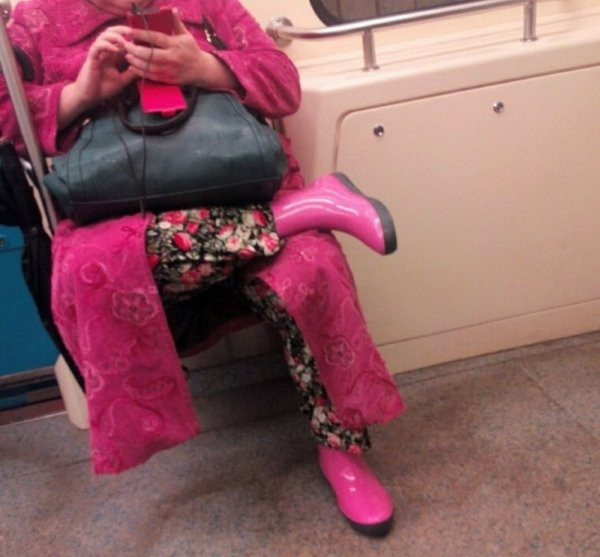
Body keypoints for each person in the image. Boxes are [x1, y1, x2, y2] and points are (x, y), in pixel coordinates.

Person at [0, 0, 405, 537]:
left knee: (312, 267)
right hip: (117, 212)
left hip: (234, 187)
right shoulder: (35, 19)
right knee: (100, 266)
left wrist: (204, 67)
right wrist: (82, 93)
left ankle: (343, 453)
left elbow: (283, 83)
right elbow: (6, 121)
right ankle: (303, 211)